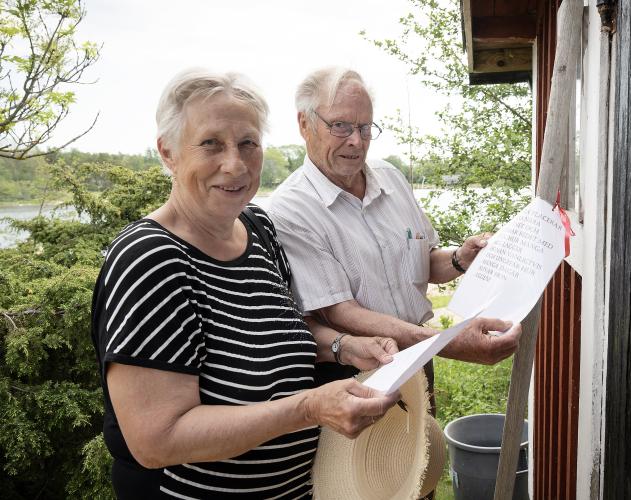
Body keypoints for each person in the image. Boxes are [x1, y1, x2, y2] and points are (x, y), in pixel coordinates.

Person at [90, 69, 400, 499]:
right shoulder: (150, 260)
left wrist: (343, 346)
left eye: (248, 143)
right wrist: (309, 408)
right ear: (168, 153)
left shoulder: (258, 228)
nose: (234, 164)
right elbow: (156, 440)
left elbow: (283, 327)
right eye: (210, 143)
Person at [266, 67, 521, 400]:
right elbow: (339, 312)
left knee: (426, 449)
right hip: (356, 374)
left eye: (364, 127)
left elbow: (423, 264)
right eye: (340, 125)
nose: (356, 140)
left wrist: (461, 258)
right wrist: (443, 342)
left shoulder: (391, 178)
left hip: (419, 361)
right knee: (380, 454)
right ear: (305, 124)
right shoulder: (289, 210)